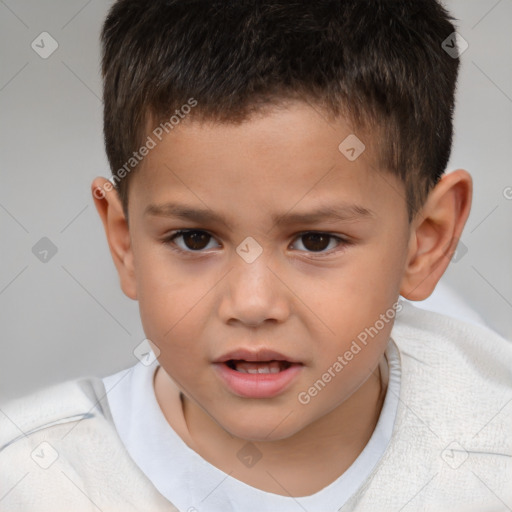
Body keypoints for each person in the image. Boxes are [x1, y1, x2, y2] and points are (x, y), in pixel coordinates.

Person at [1, 1, 511, 511]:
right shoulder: (31, 482)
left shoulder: (492, 464)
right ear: (125, 240)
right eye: (194, 239)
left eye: (315, 241)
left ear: (426, 241)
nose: (251, 303)